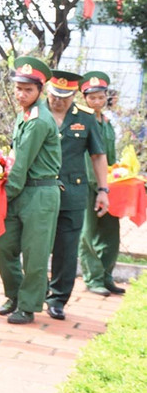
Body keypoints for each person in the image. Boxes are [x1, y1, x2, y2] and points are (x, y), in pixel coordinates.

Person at [0, 57, 63, 325]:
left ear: (40, 90)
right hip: (20, 190)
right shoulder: (23, 115)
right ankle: (14, 295)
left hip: (40, 193)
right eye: (18, 88)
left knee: (35, 255)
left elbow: (21, 164)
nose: (21, 94)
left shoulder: (38, 121)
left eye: (28, 90)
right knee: (3, 245)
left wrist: (0, 196)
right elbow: (14, 157)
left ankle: (28, 305)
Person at [44, 70, 109, 320]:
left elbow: (98, 155)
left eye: (65, 96)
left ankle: (58, 298)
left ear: (74, 95)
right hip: (39, 190)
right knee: (35, 244)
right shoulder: (36, 112)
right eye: (55, 95)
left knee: (67, 248)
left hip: (72, 192)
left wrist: (103, 190)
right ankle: (35, 291)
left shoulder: (86, 118)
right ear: (48, 91)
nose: (58, 101)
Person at [78, 71, 125, 296]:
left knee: (111, 232)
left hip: (107, 185)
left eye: (100, 97)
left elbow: (110, 154)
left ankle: (107, 276)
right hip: (85, 182)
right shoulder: (80, 121)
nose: (97, 101)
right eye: (92, 97)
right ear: (84, 98)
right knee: (87, 233)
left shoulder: (107, 122)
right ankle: (93, 278)